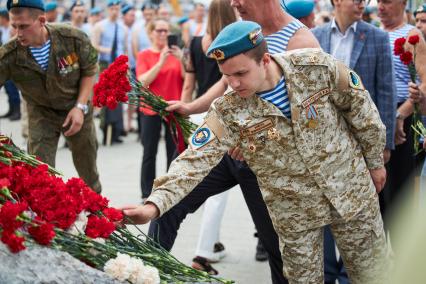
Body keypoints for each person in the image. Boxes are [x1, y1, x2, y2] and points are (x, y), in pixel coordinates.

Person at [123, 20, 389, 284]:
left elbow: (361, 109)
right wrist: (153, 205)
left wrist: (375, 162)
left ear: (265, 59)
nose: (234, 84)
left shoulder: (315, 67)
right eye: (226, 76)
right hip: (294, 213)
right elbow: (194, 160)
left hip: (350, 190)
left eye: (240, 73)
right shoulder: (227, 111)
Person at [146, 1, 320, 283]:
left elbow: (308, 115)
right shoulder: (241, 32)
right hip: (229, 153)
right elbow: (226, 84)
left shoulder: (300, 40)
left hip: (266, 164)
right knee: (170, 202)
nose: (233, 3)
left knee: (279, 249)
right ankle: (145, 271)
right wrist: (191, 107)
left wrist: (256, 137)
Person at [312, 0, 397, 282]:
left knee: (358, 215)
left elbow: (385, 89)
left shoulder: (377, 37)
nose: (362, 3)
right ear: (336, 1)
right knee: (323, 207)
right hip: (322, 143)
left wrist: (383, 146)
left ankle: (350, 275)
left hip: (360, 142)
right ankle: (326, 273)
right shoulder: (316, 35)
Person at [1, 0, 101, 193]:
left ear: (41, 20)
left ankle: (96, 214)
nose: (18, 33)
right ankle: (47, 218)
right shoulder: (9, 55)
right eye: (14, 26)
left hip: (77, 108)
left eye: (23, 26)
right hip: (41, 114)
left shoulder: (73, 38)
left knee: (88, 169)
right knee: (40, 174)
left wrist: (80, 107)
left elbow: (90, 71)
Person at [180, 0, 237, 274]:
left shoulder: (194, 43)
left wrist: (183, 112)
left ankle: (211, 244)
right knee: (218, 193)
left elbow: (188, 83)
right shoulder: (234, 40)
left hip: (197, 115)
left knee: (199, 180)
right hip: (221, 117)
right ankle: (202, 255)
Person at [377, 0, 419, 241]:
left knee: (397, 197)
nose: (381, 7)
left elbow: (424, 84)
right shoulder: (372, 33)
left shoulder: (412, 36)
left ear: (403, 3)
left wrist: (399, 115)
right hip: (374, 117)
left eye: (387, 1)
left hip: (399, 117)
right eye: (378, 2)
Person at [136, 18, 184, 202]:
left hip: (172, 107)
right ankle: (146, 192)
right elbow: (143, 81)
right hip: (150, 108)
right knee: (149, 151)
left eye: (166, 31)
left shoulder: (176, 55)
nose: (163, 34)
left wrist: (181, 59)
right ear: (151, 33)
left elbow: (186, 78)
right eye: (159, 30)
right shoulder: (145, 55)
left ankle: (170, 190)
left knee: (174, 151)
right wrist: (160, 61)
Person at [92, 0, 127, 145]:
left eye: (116, 8)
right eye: (112, 8)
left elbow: (123, 47)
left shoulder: (122, 28)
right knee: (105, 97)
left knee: (118, 96)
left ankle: (117, 130)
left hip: (118, 65)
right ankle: (105, 128)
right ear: (108, 10)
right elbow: (94, 44)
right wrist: (105, 50)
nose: (114, 11)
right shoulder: (100, 26)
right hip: (105, 64)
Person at [0, 7, 21, 121]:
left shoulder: (11, 28)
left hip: (12, 64)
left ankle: (17, 112)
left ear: (4, 18)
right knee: (8, 88)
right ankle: (11, 110)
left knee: (13, 88)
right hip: (5, 63)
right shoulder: (2, 29)